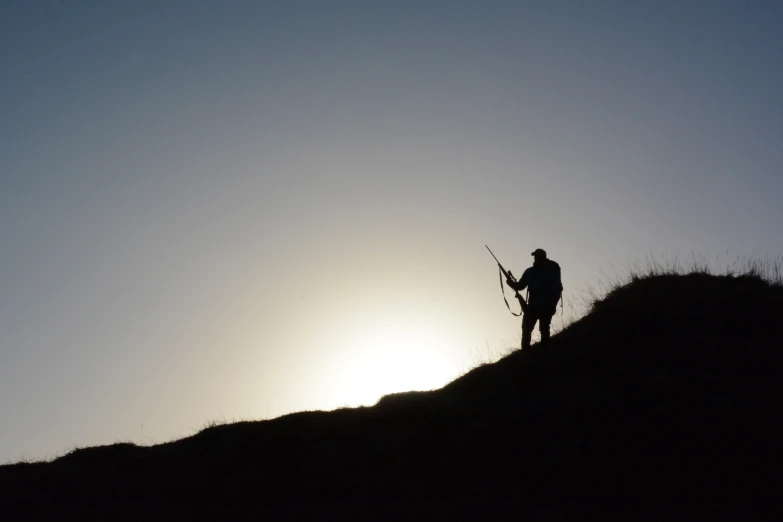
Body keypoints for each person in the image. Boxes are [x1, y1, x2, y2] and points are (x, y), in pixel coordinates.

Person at [506, 248, 563, 350]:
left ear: (541, 257)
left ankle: (534, 353)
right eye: (535, 256)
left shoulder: (538, 271)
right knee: (535, 329)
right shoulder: (536, 271)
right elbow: (520, 286)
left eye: (537, 256)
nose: (535, 258)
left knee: (535, 329)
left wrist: (510, 283)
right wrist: (511, 283)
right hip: (540, 305)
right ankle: (535, 352)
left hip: (541, 305)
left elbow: (519, 286)